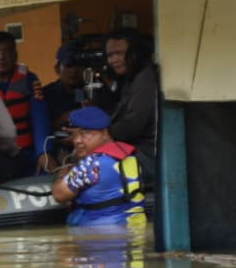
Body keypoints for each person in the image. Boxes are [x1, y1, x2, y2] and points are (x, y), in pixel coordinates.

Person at [51, 106, 146, 230]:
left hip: (98, 235)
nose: (77, 141)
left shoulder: (91, 164)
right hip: (132, 228)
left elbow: (59, 195)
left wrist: (62, 174)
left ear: (105, 133)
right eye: (74, 134)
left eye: (85, 134)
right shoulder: (129, 155)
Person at [0, 31, 50, 176]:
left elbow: (40, 119)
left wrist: (43, 152)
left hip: (27, 153)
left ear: (16, 55)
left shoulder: (29, 79)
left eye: (7, 51)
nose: (1, 57)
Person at [104, 27, 158, 182]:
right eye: (110, 55)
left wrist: (104, 136)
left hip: (148, 157)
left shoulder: (145, 78)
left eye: (119, 53)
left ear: (135, 52)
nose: (113, 60)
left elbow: (132, 126)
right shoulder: (131, 78)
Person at [42, 41, 89, 130]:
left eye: (79, 65)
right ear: (57, 69)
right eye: (68, 65)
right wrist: (70, 116)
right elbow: (41, 128)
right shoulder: (46, 95)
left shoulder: (95, 91)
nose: (74, 71)